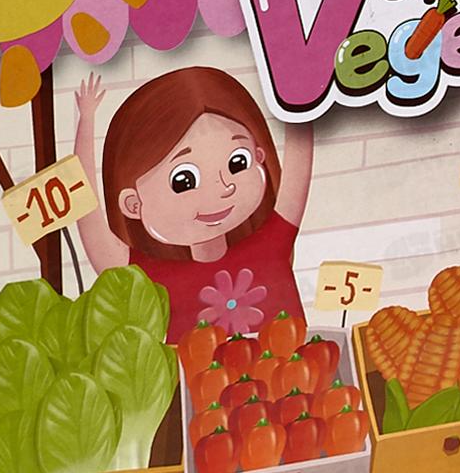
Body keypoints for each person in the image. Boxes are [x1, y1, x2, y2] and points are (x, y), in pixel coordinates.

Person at [74, 66, 313, 343]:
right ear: (132, 203)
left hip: (296, 369)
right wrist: (86, 124)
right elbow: (90, 219)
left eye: (238, 162)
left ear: (259, 157)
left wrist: (298, 85)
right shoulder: (147, 279)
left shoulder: (270, 246)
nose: (223, 188)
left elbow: (298, 165)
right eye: (183, 180)